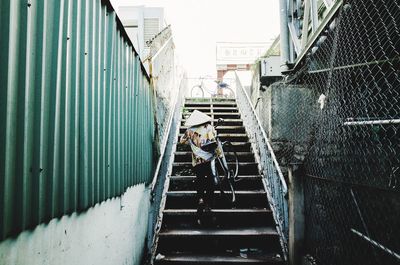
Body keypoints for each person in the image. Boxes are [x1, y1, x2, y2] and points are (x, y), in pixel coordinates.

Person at [180, 110, 220, 223]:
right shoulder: (209, 127)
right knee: (210, 180)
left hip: (197, 160)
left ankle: (201, 199)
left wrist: (191, 138)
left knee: (200, 179)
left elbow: (181, 141)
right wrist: (219, 154)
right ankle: (208, 203)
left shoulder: (190, 130)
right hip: (208, 159)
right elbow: (214, 141)